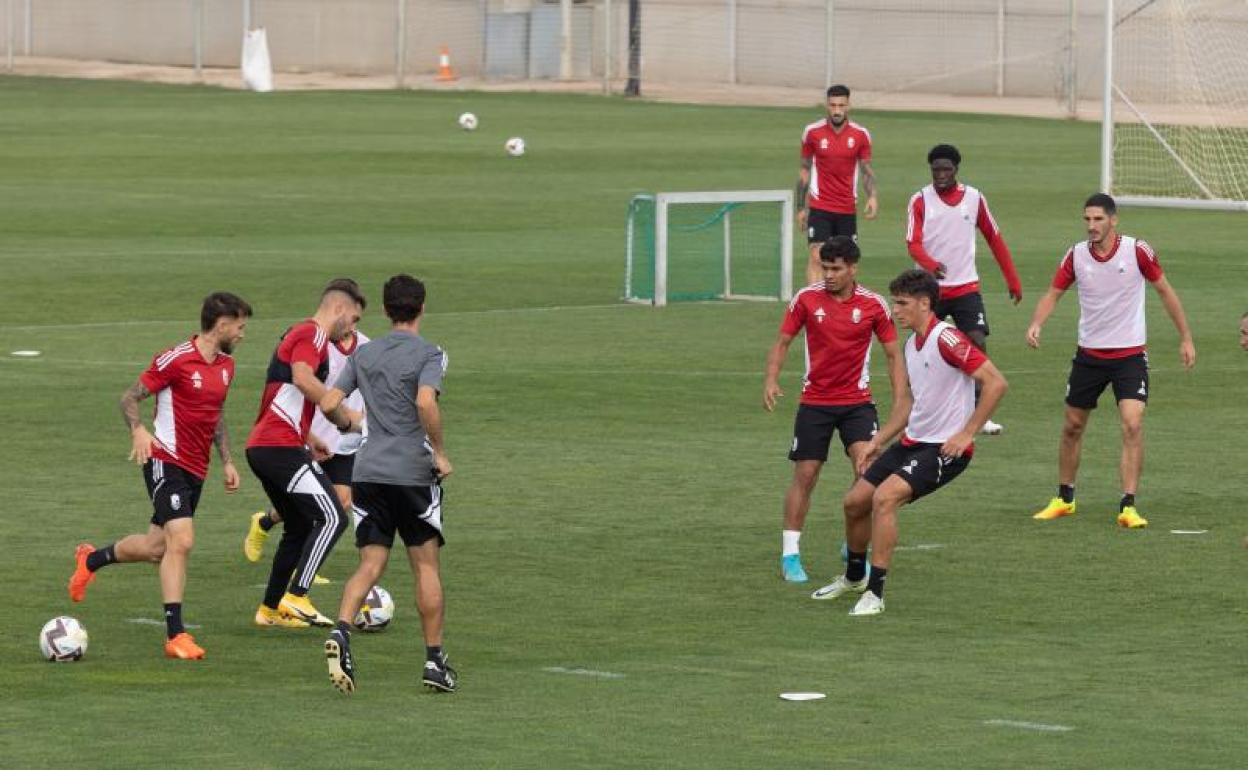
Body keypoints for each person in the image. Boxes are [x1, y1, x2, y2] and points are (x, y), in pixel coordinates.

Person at [811, 269, 1007, 616]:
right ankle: (854, 578)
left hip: (944, 449)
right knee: (855, 501)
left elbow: (995, 383)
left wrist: (966, 433)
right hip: (913, 442)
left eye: (901, 303)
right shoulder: (911, 344)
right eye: (894, 303)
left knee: (884, 498)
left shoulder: (948, 339)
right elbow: (908, 404)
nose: (895, 311)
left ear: (925, 303)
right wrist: (877, 441)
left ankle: (875, 593)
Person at [68, 292, 253, 659]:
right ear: (222, 324)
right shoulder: (175, 359)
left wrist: (227, 460)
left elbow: (214, 415)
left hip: (196, 469)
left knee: (157, 548)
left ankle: (91, 560)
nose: (243, 334)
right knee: (181, 541)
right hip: (165, 460)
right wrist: (139, 431)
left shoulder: (227, 366)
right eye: (241, 326)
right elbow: (129, 398)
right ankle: (175, 635)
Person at [320, 274, 456, 695]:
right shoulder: (431, 354)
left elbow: (328, 402)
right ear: (422, 308)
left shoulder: (365, 354)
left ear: (384, 309)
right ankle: (434, 660)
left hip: (368, 471)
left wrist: (353, 427)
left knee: (370, 564)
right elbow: (424, 402)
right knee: (426, 566)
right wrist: (439, 450)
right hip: (412, 473)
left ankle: (341, 632)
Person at [1026, 193, 1196, 528]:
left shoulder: (1137, 251)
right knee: (1072, 425)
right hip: (1089, 355)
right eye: (1087, 219)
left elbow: (1165, 290)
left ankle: (1128, 505)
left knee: (1133, 423)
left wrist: (1186, 337)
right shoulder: (1075, 255)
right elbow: (1053, 292)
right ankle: (1064, 498)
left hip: (1130, 356)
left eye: (1098, 219)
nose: (1091, 226)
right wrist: (1037, 322)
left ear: (1113, 220)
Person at [763, 236, 904, 583]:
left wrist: (902, 397)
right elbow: (783, 341)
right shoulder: (806, 300)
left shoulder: (873, 305)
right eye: (825, 267)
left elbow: (892, 354)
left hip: (857, 403)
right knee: (806, 475)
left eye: (836, 269)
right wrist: (771, 379)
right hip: (815, 403)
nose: (828, 274)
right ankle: (790, 555)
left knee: (867, 472)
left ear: (853, 268)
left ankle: (852, 545)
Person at [246, 278, 365, 628]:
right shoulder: (312, 333)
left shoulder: (301, 336)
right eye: (354, 319)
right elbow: (302, 379)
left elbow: (279, 396)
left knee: (297, 526)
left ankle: (269, 611)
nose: (352, 328)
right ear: (339, 309)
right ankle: (296, 596)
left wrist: (309, 435)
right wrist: (345, 416)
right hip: (278, 446)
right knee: (334, 517)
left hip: (268, 445)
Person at [906, 143, 1021, 435]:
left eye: (946, 170)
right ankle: (920, 410)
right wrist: (929, 264)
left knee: (976, 341)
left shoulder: (974, 199)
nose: (941, 175)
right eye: (936, 170)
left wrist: (1013, 279)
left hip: (965, 288)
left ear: (957, 169)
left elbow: (995, 238)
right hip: (929, 291)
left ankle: (977, 412)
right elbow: (913, 243)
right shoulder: (920, 200)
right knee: (923, 353)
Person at [244, 324, 371, 573]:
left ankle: (284, 542)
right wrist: (308, 434)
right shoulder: (317, 345)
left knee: (339, 502)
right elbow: (294, 388)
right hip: (311, 435)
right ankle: (269, 526)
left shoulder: (367, 346)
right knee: (312, 506)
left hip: (345, 440)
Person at [797, 84, 878, 286]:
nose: (836, 110)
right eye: (832, 105)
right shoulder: (812, 132)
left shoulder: (861, 135)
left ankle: (843, 310)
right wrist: (800, 207)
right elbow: (805, 170)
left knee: (847, 263)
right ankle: (814, 308)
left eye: (841, 105)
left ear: (848, 105)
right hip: (819, 206)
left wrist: (872, 196)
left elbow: (866, 169)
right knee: (817, 256)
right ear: (827, 105)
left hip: (846, 208)